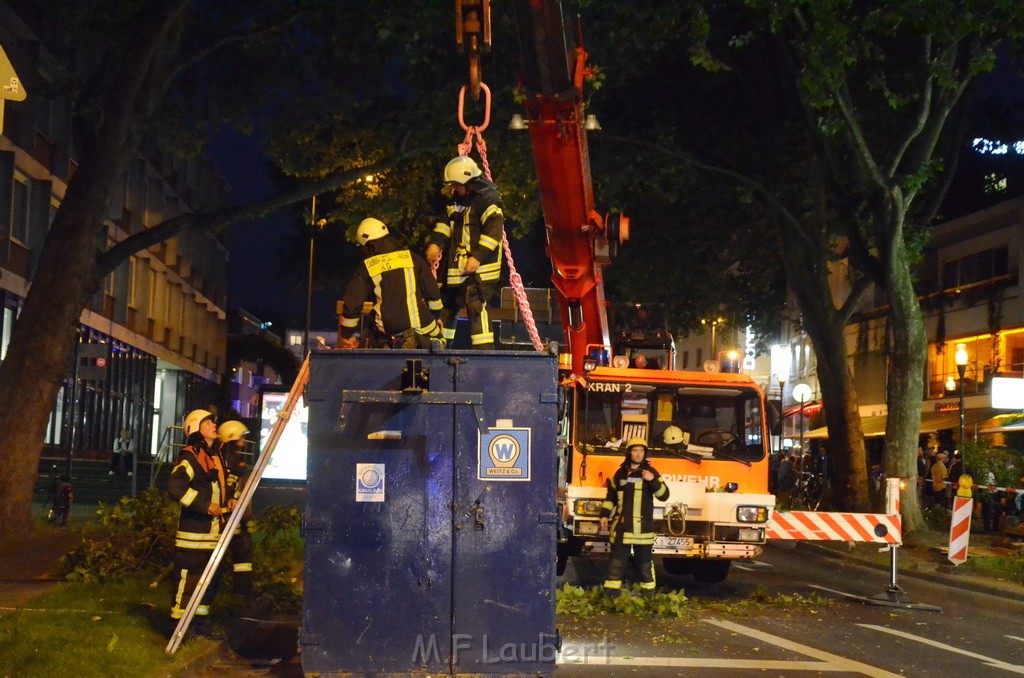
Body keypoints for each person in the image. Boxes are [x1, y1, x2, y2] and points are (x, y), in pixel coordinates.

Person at [424, 156, 504, 349]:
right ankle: (440, 348)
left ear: (468, 182)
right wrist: (436, 244)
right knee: (447, 307)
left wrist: (477, 257)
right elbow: (445, 223)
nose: (453, 188)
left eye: (455, 184)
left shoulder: (488, 200)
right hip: (457, 269)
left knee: (475, 307)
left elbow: (493, 231)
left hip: (480, 271)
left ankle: (484, 353)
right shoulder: (457, 200)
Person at [339, 218, 445, 349]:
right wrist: (436, 316)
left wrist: (346, 334)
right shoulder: (412, 257)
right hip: (421, 322)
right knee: (439, 341)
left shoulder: (366, 266)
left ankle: (384, 347)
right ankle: (418, 342)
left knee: (374, 326)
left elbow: (353, 302)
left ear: (369, 246)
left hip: (387, 326)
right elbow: (432, 291)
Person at [166, 409, 227, 637]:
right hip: (193, 533)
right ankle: (177, 627)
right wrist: (205, 505)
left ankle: (200, 622)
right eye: (209, 422)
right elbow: (176, 487)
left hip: (213, 534)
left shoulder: (214, 455)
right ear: (196, 428)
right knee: (187, 579)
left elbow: (215, 486)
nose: (214, 425)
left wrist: (227, 498)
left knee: (211, 580)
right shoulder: (190, 455)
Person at [599, 438, 670, 594]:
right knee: (616, 564)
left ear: (645, 453)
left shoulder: (651, 473)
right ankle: (611, 596)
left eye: (641, 451)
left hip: (642, 530)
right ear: (629, 452)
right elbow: (610, 497)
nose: (638, 454)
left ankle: (648, 595)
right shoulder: (620, 474)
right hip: (622, 528)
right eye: (635, 450)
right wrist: (604, 515)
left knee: (644, 563)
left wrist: (652, 481)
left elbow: (664, 495)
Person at [218, 420, 254, 597]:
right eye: (241, 436)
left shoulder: (231, 457)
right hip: (227, 516)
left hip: (234, 516)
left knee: (243, 549)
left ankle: (242, 591)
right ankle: (241, 591)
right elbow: (232, 487)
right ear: (231, 437)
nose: (244, 439)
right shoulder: (229, 459)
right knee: (241, 549)